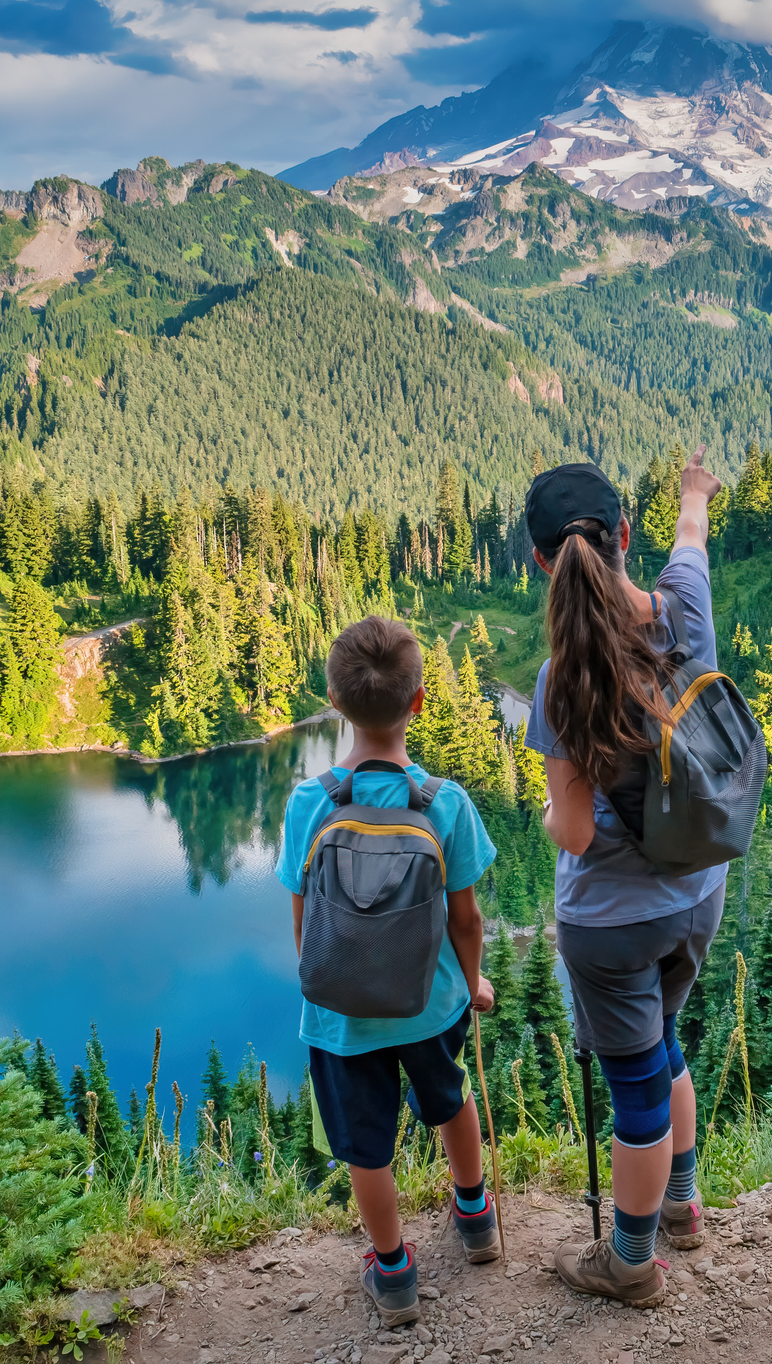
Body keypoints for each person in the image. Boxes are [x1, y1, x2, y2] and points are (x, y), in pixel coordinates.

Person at [523, 446, 725, 1304]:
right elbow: (692, 539)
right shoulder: (684, 611)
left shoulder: (558, 679)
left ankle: (631, 1263)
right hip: (697, 896)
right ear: (624, 537)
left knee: (635, 1088)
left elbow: (570, 831)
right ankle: (681, 1205)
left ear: (541, 562)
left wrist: (543, 809)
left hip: (610, 923)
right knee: (664, 1045)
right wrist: (692, 491)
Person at [276, 616, 502, 1326]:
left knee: (365, 1146)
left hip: (340, 1016)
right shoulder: (444, 803)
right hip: (429, 1003)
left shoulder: (309, 803)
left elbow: (302, 919)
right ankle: (475, 1218)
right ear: (419, 701)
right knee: (450, 1098)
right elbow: (464, 919)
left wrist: (324, 979)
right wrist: (471, 983)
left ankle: (394, 1272)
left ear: (334, 703)